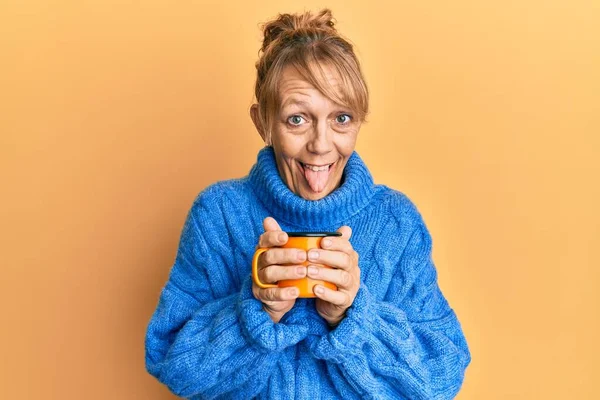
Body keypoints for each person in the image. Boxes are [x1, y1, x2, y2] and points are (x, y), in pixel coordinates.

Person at [145, 8, 471, 399]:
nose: (320, 144)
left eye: (341, 118)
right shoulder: (218, 214)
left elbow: (441, 378)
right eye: (297, 119)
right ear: (263, 121)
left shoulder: (395, 222)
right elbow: (173, 365)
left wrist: (353, 315)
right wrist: (256, 310)